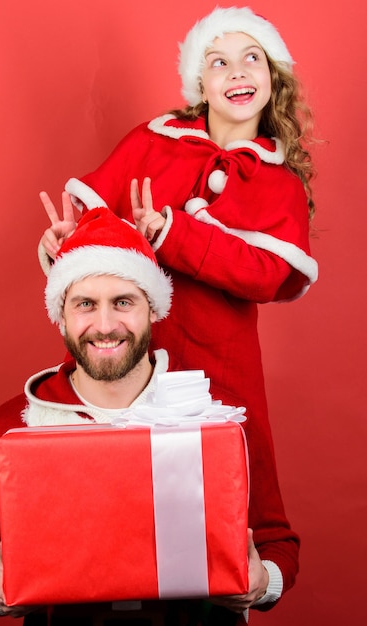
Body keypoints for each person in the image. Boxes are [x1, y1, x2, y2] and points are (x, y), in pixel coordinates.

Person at [0, 208, 299, 626]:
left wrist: (264, 581)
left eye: (123, 302)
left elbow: (276, 542)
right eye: (85, 303)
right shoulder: (15, 422)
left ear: (154, 310)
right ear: (61, 314)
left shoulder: (220, 414)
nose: (105, 326)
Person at [38, 6, 318, 470]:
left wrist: (173, 234)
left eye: (252, 58)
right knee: (118, 483)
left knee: (226, 490)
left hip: (223, 363)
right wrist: (71, 245)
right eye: (218, 62)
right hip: (128, 358)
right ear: (200, 85)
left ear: (272, 76)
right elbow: (96, 233)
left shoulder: (280, 182)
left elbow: (267, 276)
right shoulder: (149, 143)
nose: (237, 73)